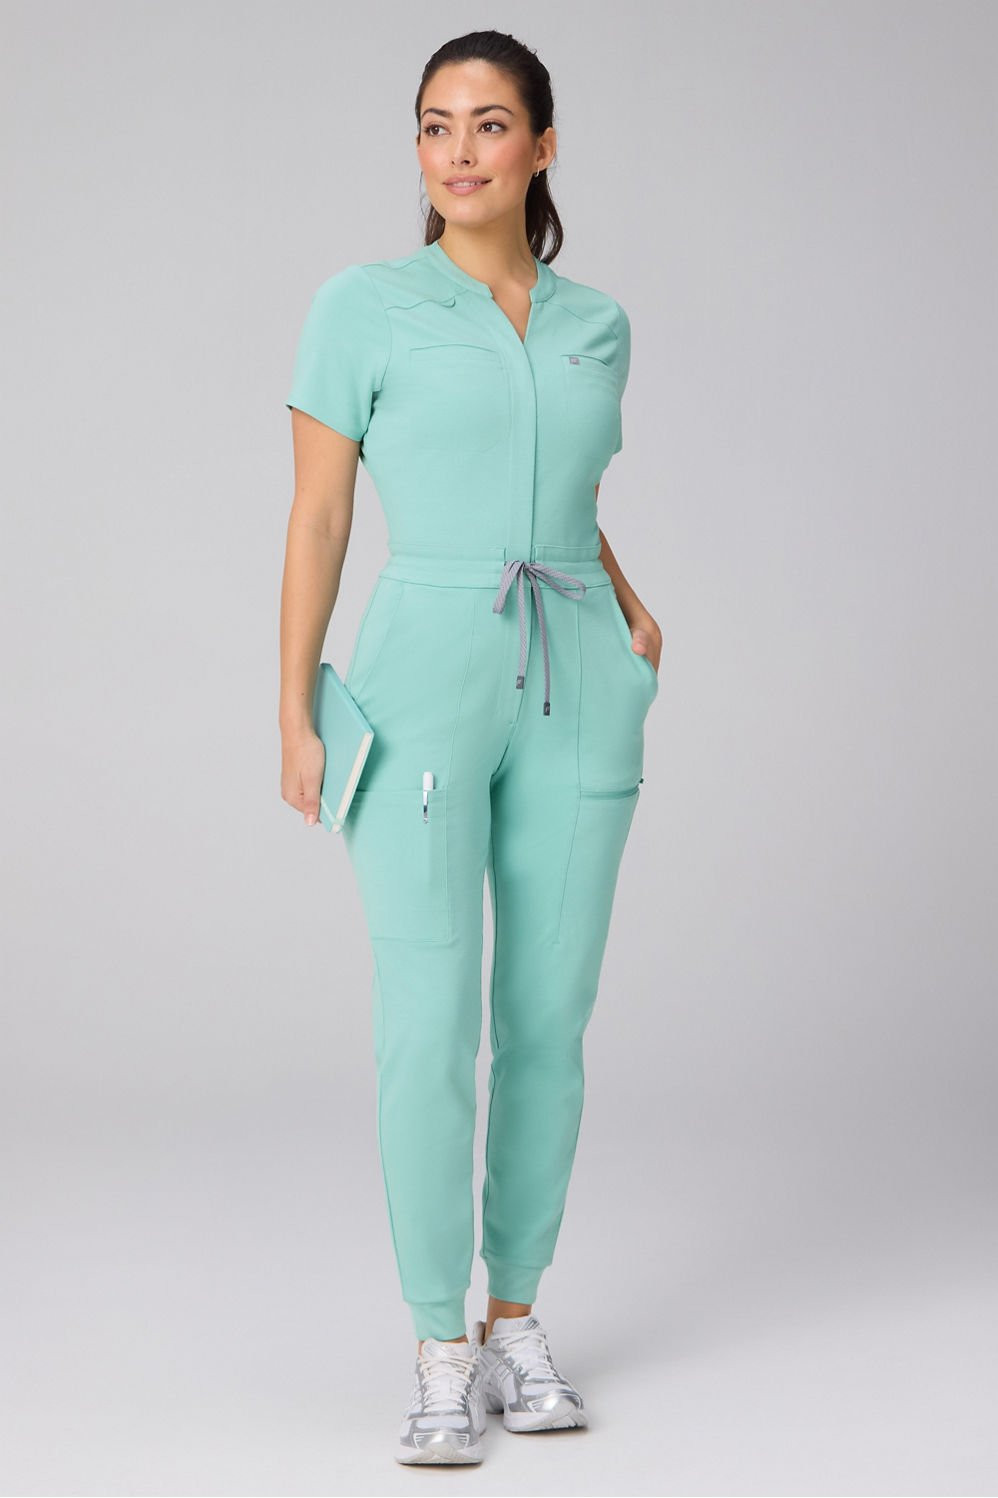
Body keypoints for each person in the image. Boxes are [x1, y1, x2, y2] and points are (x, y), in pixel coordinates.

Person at [279, 30, 662, 1467]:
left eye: (491, 124)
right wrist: (293, 704)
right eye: (436, 125)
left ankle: (515, 1318)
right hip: (420, 680)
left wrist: (629, 607)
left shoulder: (596, 324)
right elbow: (320, 513)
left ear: (541, 147)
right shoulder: (363, 306)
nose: (460, 150)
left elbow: (561, 488)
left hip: (577, 672)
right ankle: (438, 1343)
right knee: (428, 1019)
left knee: (550, 1016)